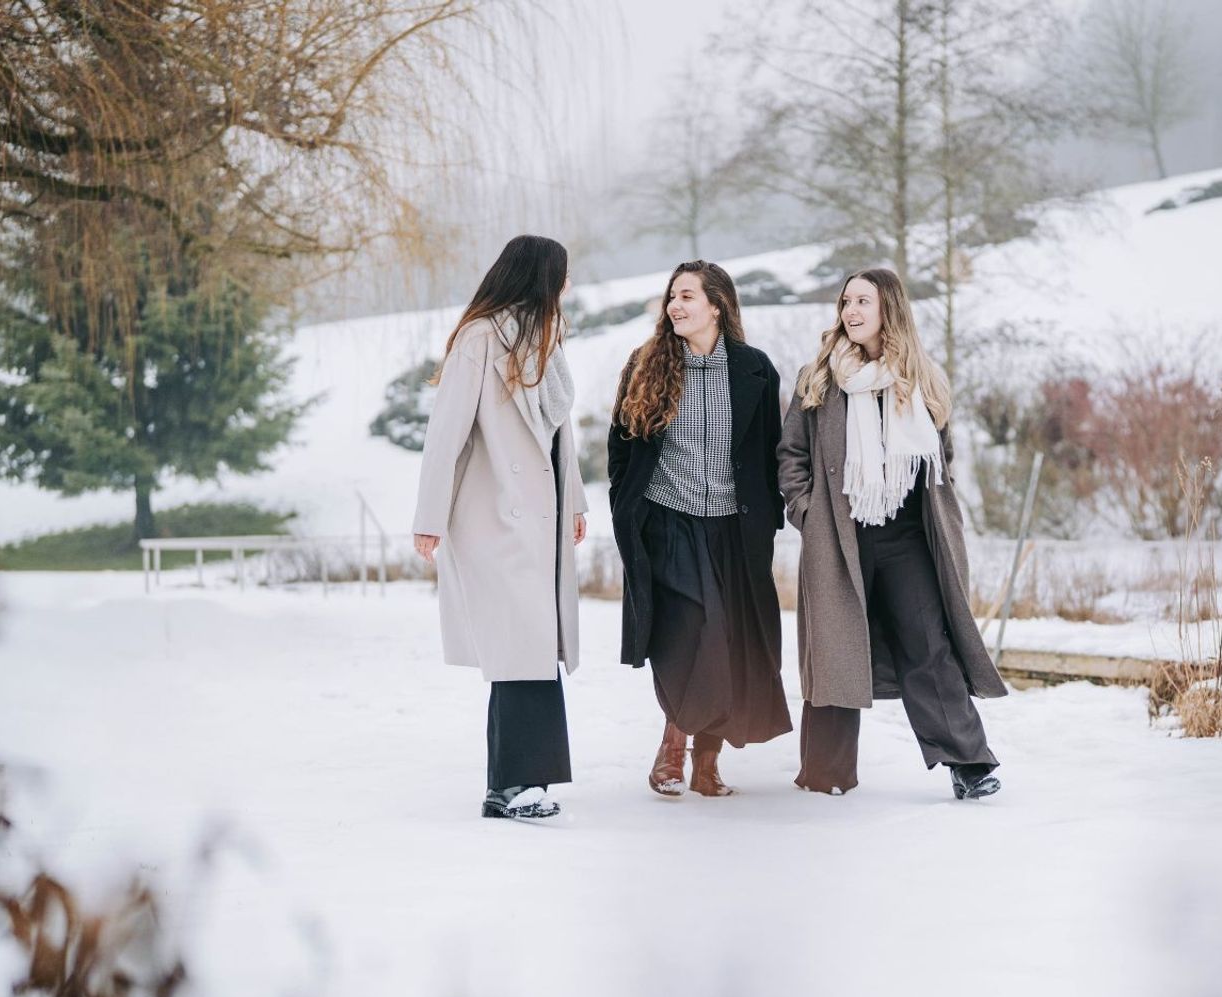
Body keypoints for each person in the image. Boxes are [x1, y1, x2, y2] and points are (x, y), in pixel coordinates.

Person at [777, 268, 1006, 799]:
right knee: (836, 650)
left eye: (863, 301)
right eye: (845, 302)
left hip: (906, 538)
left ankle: (968, 763)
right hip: (839, 535)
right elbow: (790, 455)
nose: (851, 311)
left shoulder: (921, 379)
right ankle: (826, 773)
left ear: (889, 311)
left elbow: (940, 456)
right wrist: (807, 513)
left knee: (929, 644)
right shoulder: (819, 377)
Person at [411, 235, 588, 820]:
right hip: (495, 517)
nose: (566, 286)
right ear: (539, 276)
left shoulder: (546, 341)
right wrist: (429, 518)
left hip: (541, 517)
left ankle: (513, 784)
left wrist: (577, 502)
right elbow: (447, 435)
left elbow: (559, 433)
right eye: (561, 275)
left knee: (531, 651)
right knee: (522, 652)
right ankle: (514, 786)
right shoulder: (480, 339)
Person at [608, 260, 792, 797]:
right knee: (693, 633)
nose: (676, 305)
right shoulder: (645, 365)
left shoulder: (755, 368)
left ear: (718, 305)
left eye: (687, 296)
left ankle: (707, 762)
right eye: (672, 296)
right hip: (669, 521)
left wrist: (770, 518)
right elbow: (621, 450)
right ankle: (673, 745)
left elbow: (767, 453)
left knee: (730, 640)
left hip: (735, 528)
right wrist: (627, 508)